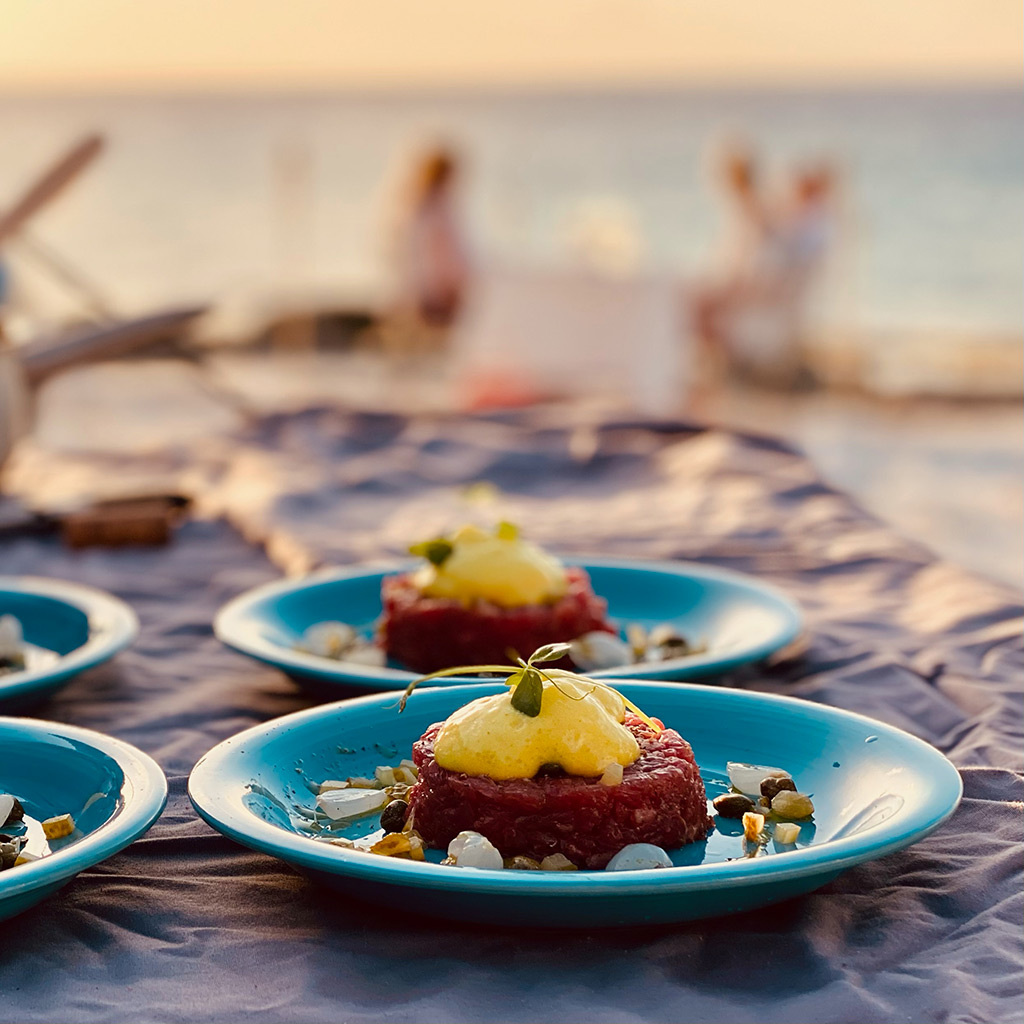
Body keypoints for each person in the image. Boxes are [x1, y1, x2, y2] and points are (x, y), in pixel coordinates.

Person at [389, 146, 471, 347]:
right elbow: (443, 261)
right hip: (433, 299)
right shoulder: (436, 210)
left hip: (417, 297)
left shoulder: (414, 207)